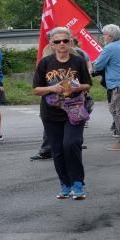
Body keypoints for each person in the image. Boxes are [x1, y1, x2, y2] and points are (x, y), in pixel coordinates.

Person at [33, 27, 92, 199]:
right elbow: (36, 89)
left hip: (74, 110)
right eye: (57, 41)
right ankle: (65, 184)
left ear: (71, 42)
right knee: (57, 150)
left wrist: (77, 86)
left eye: (65, 41)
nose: (62, 44)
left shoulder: (78, 61)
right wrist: (52, 88)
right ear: (51, 44)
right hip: (51, 112)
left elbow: (87, 84)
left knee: (71, 144)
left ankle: (78, 183)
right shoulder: (45, 63)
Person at [92, 24, 120, 151]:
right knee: (114, 109)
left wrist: (93, 64)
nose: (103, 37)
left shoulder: (109, 47)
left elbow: (98, 66)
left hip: (118, 84)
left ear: (110, 36)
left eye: (104, 34)